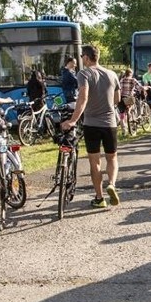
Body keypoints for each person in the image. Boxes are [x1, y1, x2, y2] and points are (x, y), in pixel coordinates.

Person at [61, 45, 122, 209]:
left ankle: (100, 198)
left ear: (87, 57)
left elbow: (83, 97)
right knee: (112, 158)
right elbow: (117, 99)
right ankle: (112, 185)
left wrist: (73, 120)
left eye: (82, 57)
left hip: (91, 124)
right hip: (110, 123)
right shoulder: (112, 74)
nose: (81, 60)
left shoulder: (84, 74)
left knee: (95, 162)